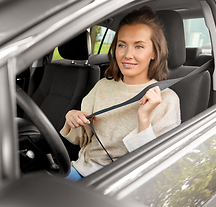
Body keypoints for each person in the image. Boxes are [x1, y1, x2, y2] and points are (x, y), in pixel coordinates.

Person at [61, 6, 181, 181]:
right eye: (122, 45)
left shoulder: (167, 99)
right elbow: (83, 140)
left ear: (154, 52)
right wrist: (72, 118)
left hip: (125, 182)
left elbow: (156, 166)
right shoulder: (102, 86)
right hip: (82, 171)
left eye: (139, 46)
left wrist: (144, 118)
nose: (127, 54)